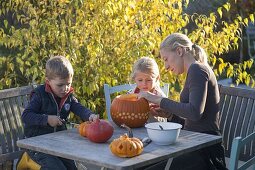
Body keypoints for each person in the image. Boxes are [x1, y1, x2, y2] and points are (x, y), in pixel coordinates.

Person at [138, 33, 227, 170]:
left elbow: (194, 113)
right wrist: (170, 115)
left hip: (205, 153)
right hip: (194, 144)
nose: (166, 67)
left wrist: (157, 99)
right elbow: (195, 122)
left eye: (166, 59)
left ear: (179, 51)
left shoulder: (198, 69)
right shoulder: (194, 70)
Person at [21, 55, 97, 170]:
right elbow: (26, 116)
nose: (65, 88)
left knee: (73, 167)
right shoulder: (40, 95)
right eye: (60, 85)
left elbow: (78, 107)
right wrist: (47, 119)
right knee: (56, 167)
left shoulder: (68, 96)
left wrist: (90, 115)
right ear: (48, 81)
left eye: (68, 84)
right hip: (37, 144)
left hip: (58, 143)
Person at [129, 57, 168, 122]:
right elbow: (126, 107)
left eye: (148, 80)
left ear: (157, 78)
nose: (144, 83)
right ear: (134, 79)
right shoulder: (133, 93)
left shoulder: (159, 95)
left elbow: (166, 114)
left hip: (156, 127)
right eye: (140, 80)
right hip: (137, 126)